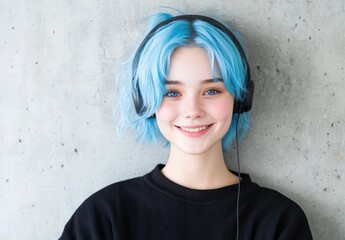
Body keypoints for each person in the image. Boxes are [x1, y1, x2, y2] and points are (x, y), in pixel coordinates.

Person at [59, 12, 313, 240]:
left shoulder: (279, 221)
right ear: (145, 101)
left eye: (212, 90)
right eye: (172, 93)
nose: (193, 110)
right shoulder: (103, 217)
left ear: (240, 100)